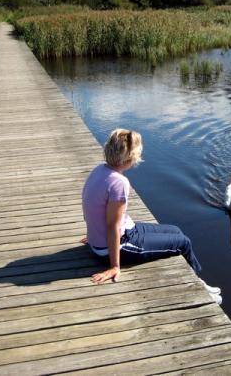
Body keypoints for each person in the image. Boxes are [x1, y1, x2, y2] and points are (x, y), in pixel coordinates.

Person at [81, 128, 221, 303]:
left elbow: (90, 204)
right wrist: (115, 266)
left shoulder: (100, 170)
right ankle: (200, 285)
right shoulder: (119, 183)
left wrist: (93, 233)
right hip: (113, 247)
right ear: (130, 158)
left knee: (175, 230)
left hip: (114, 235)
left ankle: (197, 278)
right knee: (183, 243)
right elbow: (113, 227)